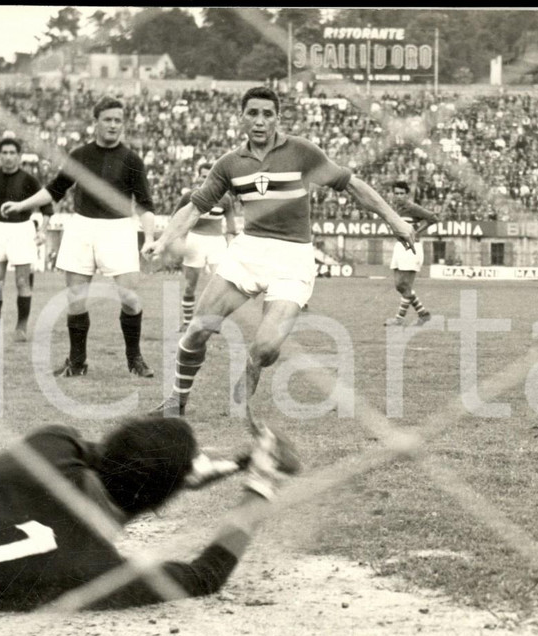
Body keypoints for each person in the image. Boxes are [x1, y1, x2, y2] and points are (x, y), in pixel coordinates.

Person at [0, 417, 300, 611]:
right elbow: (205, 575)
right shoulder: (92, 570)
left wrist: (196, 469)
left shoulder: (51, 448)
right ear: (154, 503)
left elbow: (107, 457)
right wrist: (259, 483)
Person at [144, 86, 416, 417]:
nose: (260, 121)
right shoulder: (229, 164)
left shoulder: (302, 152)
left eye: (267, 114)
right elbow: (194, 208)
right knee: (198, 329)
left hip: (292, 258)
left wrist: (394, 220)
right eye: (253, 113)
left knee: (266, 348)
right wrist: (163, 240)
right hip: (248, 252)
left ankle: (252, 365)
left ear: (277, 118)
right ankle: (176, 401)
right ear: (241, 117)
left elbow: (352, 185)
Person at [0, 96, 157, 379]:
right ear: (95, 122)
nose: (113, 125)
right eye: (107, 120)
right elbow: (55, 189)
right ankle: (77, 362)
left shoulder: (132, 160)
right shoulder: (80, 155)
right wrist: (22, 205)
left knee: (130, 299)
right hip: (82, 227)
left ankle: (134, 358)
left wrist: (148, 238)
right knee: (75, 299)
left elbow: (145, 204)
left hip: (119, 229)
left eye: (118, 120)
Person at [0, 138, 53, 342]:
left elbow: (47, 208)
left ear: (19, 156)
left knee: (22, 281)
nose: (8, 157)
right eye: (5, 153)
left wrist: (42, 230)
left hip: (22, 230)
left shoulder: (29, 179)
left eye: (12, 153)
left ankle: (21, 328)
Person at [173, 162, 238, 332]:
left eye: (210, 176)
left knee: (219, 285)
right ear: (198, 177)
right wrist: (179, 241)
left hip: (216, 242)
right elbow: (176, 219)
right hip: (195, 240)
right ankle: (187, 322)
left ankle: (213, 322)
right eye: (203, 176)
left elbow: (231, 227)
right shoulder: (189, 196)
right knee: (190, 285)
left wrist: (231, 245)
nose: (207, 179)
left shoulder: (225, 198)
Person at [383, 181, 440, 327]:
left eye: (402, 193)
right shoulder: (395, 208)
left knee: (406, 285)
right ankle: (423, 314)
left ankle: (399, 319)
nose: (399, 196)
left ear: (407, 195)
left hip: (412, 247)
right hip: (400, 247)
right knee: (399, 286)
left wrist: (417, 232)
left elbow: (433, 218)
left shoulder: (412, 208)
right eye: (396, 193)